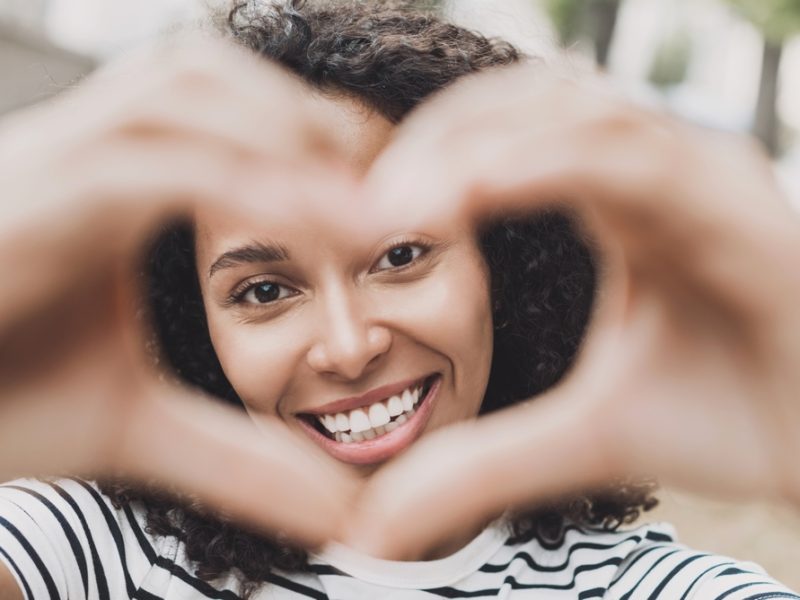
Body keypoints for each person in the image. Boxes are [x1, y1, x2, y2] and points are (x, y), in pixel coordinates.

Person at [0, 1, 798, 599]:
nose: (348, 348)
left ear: (504, 266)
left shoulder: (649, 590)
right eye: (265, 290)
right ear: (188, 323)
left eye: (402, 255)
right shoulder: (89, 555)